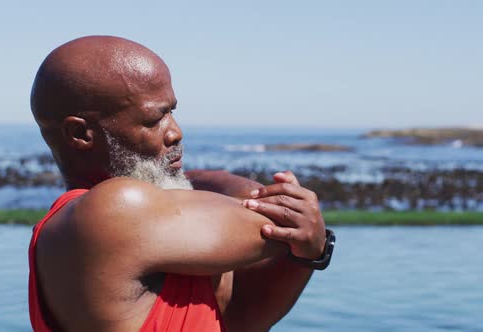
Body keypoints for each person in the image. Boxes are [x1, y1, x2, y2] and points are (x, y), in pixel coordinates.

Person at [28, 35, 334, 332]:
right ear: (81, 134)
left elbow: (238, 319)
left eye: (172, 111)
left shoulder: (164, 235)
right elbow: (279, 224)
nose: (175, 132)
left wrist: (309, 254)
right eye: (153, 119)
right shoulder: (111, 210)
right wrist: (307, 235)